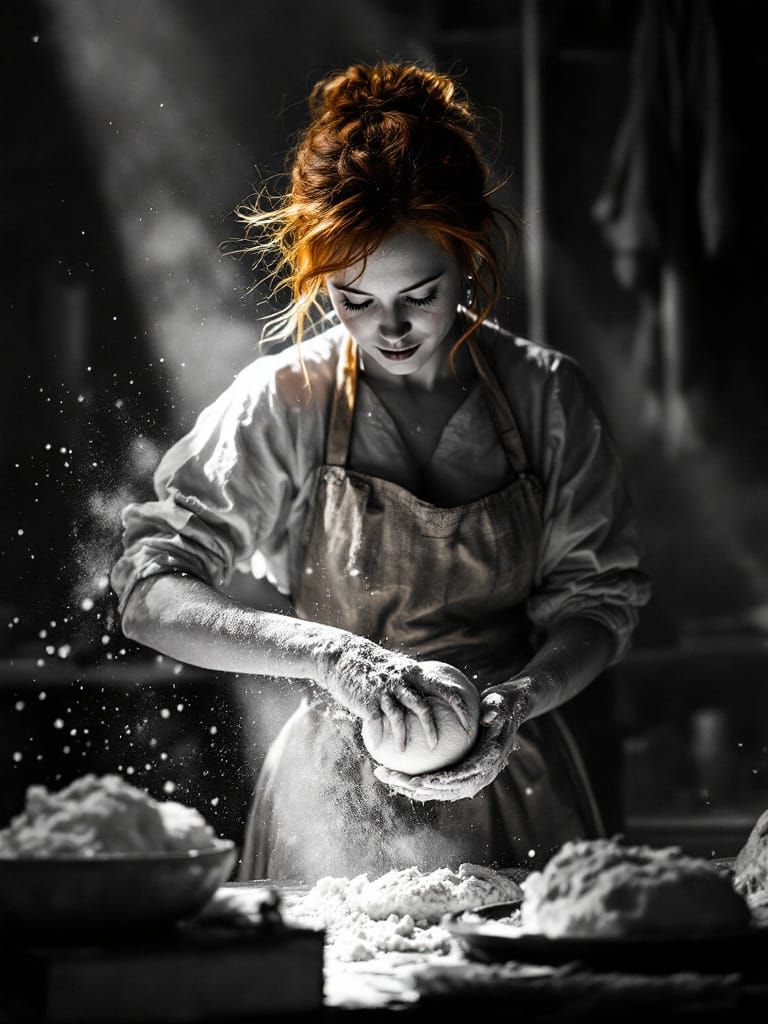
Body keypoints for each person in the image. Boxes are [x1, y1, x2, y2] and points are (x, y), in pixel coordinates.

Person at [111, 61, 650, 882]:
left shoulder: (548, 398)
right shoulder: (287, 400)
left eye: (420, 295)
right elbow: (150, 594)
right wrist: (328, 656)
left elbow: (598, 607)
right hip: (327, 802)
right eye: (353, 299)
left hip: (513, 783)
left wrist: (516, 701)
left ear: (469, 256)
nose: (388, 328)